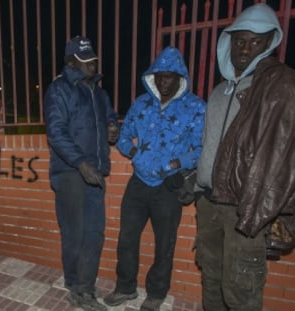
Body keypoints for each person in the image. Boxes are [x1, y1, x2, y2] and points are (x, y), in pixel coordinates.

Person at [195, 3, 295, 311]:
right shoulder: (219, 91)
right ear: (229, 42)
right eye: (240, 40)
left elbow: (283, 155)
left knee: (240, 291)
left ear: (270, 43)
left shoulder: (277, 85)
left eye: (256, 42)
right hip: (208, 203)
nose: (245, 48)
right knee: (211, 278)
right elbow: (211, 144)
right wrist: (196, 180)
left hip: (244, 209)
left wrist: (275, 213)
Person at [104, 46, 206, 311]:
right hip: (138, 184)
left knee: (164, 245)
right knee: (126, 239)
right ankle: (125, 288)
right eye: (158, 76)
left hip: (168, 187)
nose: (163, 82)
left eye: (169, 77)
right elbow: (124, 137)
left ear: (180, 77)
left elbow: (202, 148)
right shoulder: (142, 104)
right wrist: (134, 152)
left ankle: (156, 294)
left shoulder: (195, 107)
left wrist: (178, 162)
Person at [44, 35, 119, 311]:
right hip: (71, 172)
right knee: (75, 233)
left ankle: (81, 285)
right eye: (85, 60)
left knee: (95, 231)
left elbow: (109, 116)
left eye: (93, 59)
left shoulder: (99, 92)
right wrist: (80, 163)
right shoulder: (59, 89)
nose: (92, 65)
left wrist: (113, 126)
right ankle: (78, 286)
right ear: (71, 61)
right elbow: (56, 132)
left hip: (95, 170)